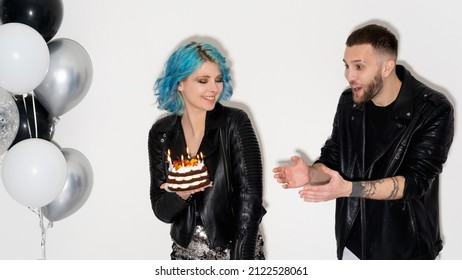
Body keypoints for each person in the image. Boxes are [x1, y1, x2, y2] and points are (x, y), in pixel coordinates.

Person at [273, 23, 454, 260]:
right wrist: (311, 173)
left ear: (387, 67)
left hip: (406, 250)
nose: (349, 75)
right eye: (347, 66)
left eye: (359, 66)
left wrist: (349, 189)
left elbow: (415, 182)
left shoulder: (432, 109)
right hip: (353, 246)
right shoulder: (349, 103)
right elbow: (334, 158)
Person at [148, 41, 266, 260]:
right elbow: (161, 210)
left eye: (218, 80)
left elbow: (250, 200)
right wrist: (181, 194)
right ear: (179, 83)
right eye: (203, 81)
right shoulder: (161, 133)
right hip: (185, 256)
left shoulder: (235, 122)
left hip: (235, 251)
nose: (214, 88)